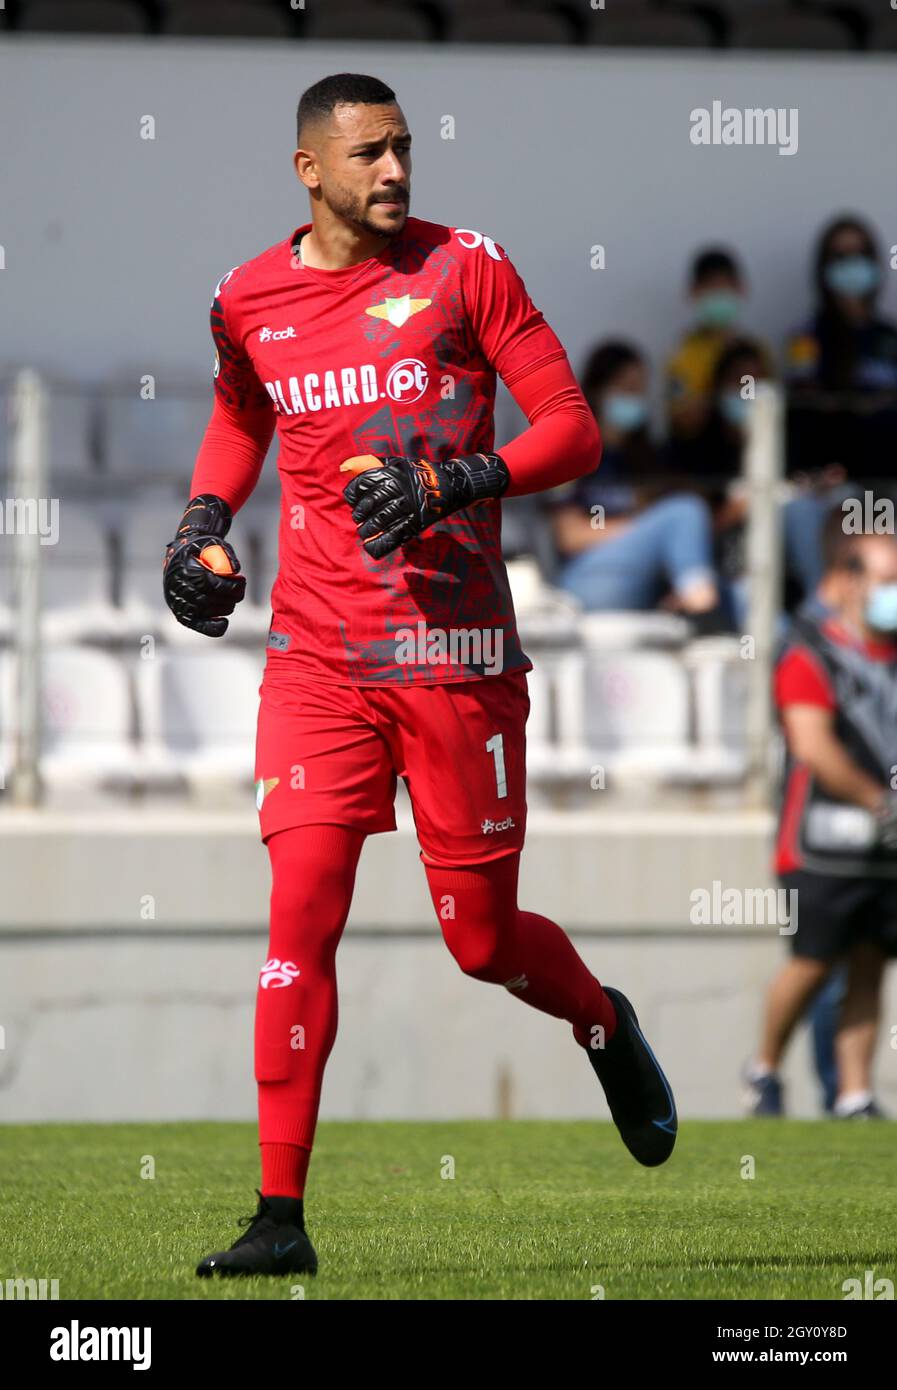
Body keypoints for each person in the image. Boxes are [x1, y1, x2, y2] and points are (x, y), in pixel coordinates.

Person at [162, 73, 677, 1279]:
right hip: (317, 659)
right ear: (310, 169)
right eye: (370, 154)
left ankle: (603, 1019)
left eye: (405, 148)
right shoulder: (248, 295)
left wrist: (454, 481)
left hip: (456, 657)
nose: (395, 172)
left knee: (481, 941)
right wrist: (198, 525)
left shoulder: (468, 268)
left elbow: (573, 427)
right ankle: (279, 1217)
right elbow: (243, 418)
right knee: (299, 920)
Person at [744, 528, 897, 1118]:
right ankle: (764, 1071)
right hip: (819, 846)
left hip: (883, 849)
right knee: (812, 961)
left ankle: (855, 1094)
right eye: (885, 582)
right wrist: (879, 804)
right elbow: (814, 746)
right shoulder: (810, 652)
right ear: (850, 582)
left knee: (870, 963)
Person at [547, 340, 722, 624]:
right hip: (586, 581)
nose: (634, 399)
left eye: (640, 390)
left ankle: (701, 603)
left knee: (737, 592)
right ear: (597, 390)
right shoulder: (570, 452)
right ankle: (702, 611)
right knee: (684, 511)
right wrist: (648, 528)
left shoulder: (647, 458)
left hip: (642, 583)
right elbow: (570, 536)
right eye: (626, 389)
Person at [785, 213, 897, 486]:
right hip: (832, 484)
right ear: (825, 267)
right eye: (842, 256)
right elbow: (805, 413)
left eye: (860, 254)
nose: (852, 264)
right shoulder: (806, 339)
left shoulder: (889, 338)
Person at [665, 247, 772, 443]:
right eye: (711, 287)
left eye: (725, 286)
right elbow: (682, 419)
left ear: (740, 289)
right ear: (694, 293)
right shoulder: (682, 355)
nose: (719, 293)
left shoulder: (757, 351)